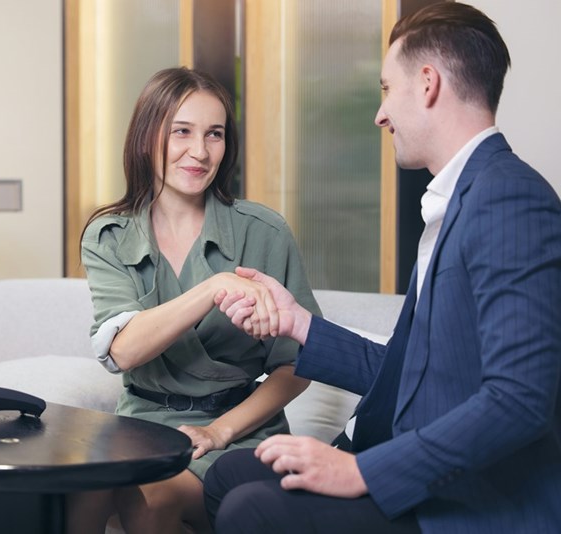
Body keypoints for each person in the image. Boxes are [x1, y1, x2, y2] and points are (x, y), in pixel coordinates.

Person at [204, 3, 561, 533]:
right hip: (423, 471)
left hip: (474, 502)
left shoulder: (508, 198)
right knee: (229, 475)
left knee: (249, 509)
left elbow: (521, 400)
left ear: (427, 83)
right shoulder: (459, 200)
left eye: (386, 89)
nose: (380, 114)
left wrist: (363, 471)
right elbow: (408, 374)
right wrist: (297, 323)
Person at [73, 66, 321, 533]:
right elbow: (123, 349)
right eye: (181, 132)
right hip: (143, 424)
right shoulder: (108, 236)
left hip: (241, 431)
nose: (200, 152)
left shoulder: (264, 232)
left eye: (215, 135)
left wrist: (220, 430)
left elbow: (300, 364)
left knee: (151, 498)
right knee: (79, 488)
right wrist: (213, 287)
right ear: (148, 137)